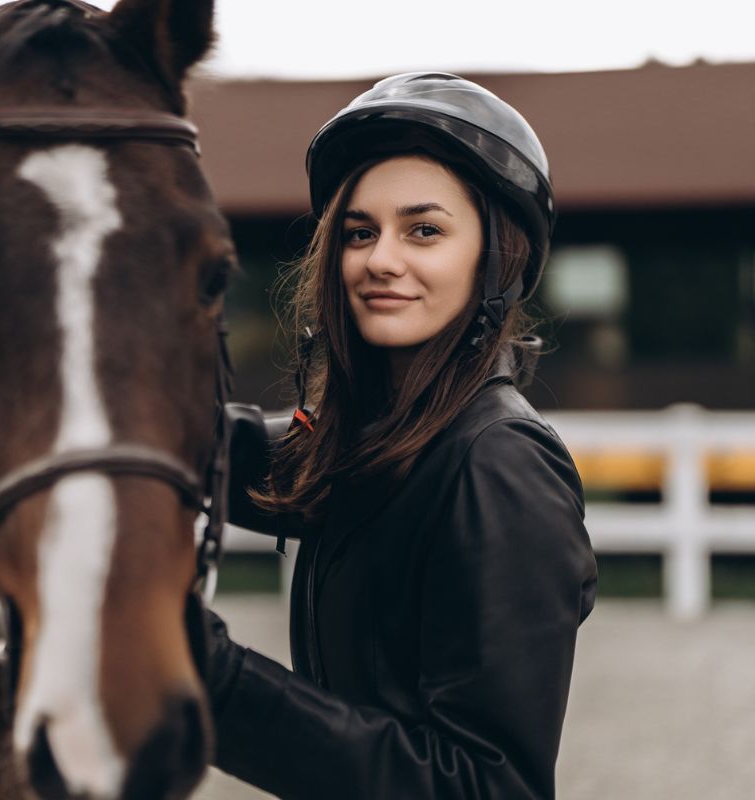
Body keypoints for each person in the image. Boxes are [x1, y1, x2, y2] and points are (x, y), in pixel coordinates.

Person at [206, 72, 598, 799]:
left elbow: (489, 786)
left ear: (495, 257)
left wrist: (221, 686)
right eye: (360, 232)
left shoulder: (498, 465)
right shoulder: (378, 441)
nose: (380, 259)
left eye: (424, 230)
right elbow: (222, 455)